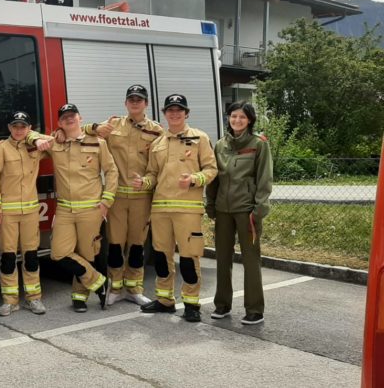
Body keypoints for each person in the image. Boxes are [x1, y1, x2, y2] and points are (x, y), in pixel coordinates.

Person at [74, 85, 163, 307]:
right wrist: (95, 126)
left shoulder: (157, 131)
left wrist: (147, 182)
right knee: (114, 245)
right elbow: (81, 131)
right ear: (125, 103)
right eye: (131, 99)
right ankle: (115, 287)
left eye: (139, 99)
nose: (135, 102)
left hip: (141, 197)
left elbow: (159, 164)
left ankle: (134, 288)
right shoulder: (113, 125)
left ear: (146, 104)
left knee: (136, 246)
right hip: (117, 198)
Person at [28, 103, 119, 312]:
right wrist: (39, 138)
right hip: (65, 210)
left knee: (87, 253)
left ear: (80, 118)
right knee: (58, 253)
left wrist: (106, 201)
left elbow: (111, 172)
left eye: (72, 116)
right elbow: (27, 133)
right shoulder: (55, 143)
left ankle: (79, 297)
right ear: (59, 123)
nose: (69, 120)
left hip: (91, 209)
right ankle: (98, 281)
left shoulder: (97, 142)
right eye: (64, 118)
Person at [137, 94, 217, 322]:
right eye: (170, 110)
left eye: (179, 110)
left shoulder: (199, 138)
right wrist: (144, 182)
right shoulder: (158, 143)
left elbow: (212, 170)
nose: (174, 113)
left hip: (188, 210)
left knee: (190, 257)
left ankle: (192, 304)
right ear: (164, 113)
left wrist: (194, 179)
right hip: (160, 208)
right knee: (162, 257)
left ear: (186, 113)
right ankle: (165, 301)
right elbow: (153, 174)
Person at [206, 101, 273, 325]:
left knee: (250, 260)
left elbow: (265, 179)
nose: (237, 120)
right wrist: (211, 204)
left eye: (242, 117)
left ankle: (254, 309)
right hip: (223, 210)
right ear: (228, 118)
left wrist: (259, 209)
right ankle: (222, 305)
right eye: (234, 116)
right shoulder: (219, 145)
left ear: (250, 120)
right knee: (222, 258)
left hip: (247, 211)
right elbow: (214, 177)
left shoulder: (259, 145)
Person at [0, 111, 52, 316]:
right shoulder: (1, 149)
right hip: (7, 213)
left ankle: (34, 299)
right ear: (9, 128)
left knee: (31, 255)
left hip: (30, 212)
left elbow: (56, 141)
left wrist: (35, 137)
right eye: (15, 126)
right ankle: (10, 301)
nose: (19, 130)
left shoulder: (34, 147)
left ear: (28, 128)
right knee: (7, 257)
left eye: (23, 126)